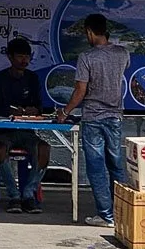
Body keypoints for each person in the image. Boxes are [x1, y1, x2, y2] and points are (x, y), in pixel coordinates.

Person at [54, 12, 129, 226]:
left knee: (96, 167)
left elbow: (80, 91)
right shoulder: (123, 53)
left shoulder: (86, 58)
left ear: (89, 32)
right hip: (115, 116)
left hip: (93, 118)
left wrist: (65, 112)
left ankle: (106, 215)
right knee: (115, 164)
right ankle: (122, 213)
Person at [0, 37, 52, 213]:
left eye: (27, 57)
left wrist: (32, 110)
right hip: (4, 131)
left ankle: (28, 194)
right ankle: (14, 195)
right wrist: (13, 111)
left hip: (27, 132)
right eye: (20, 56)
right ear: (10, 57)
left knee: (44, 149)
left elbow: (39, 107)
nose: (24, 60)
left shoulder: (33, 78)